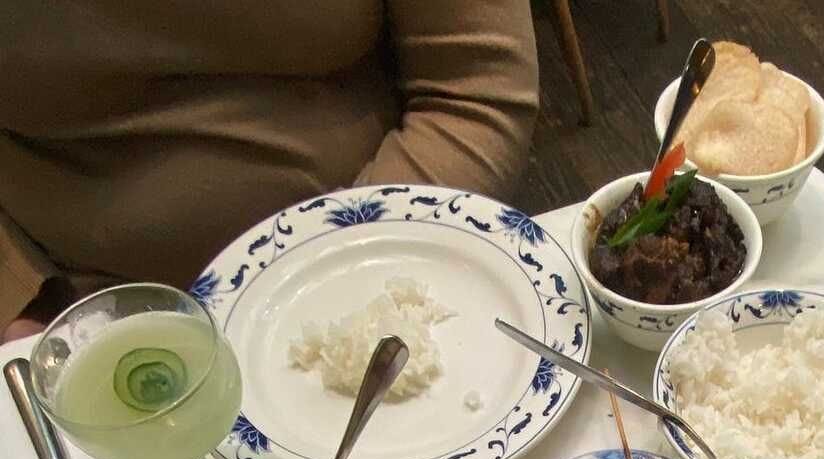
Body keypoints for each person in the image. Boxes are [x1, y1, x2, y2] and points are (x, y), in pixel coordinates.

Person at [0, 0, 539, 341]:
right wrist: (20, 308)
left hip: (379, 275)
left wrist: (338, 292)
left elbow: (476, 90)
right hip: (80, 314)